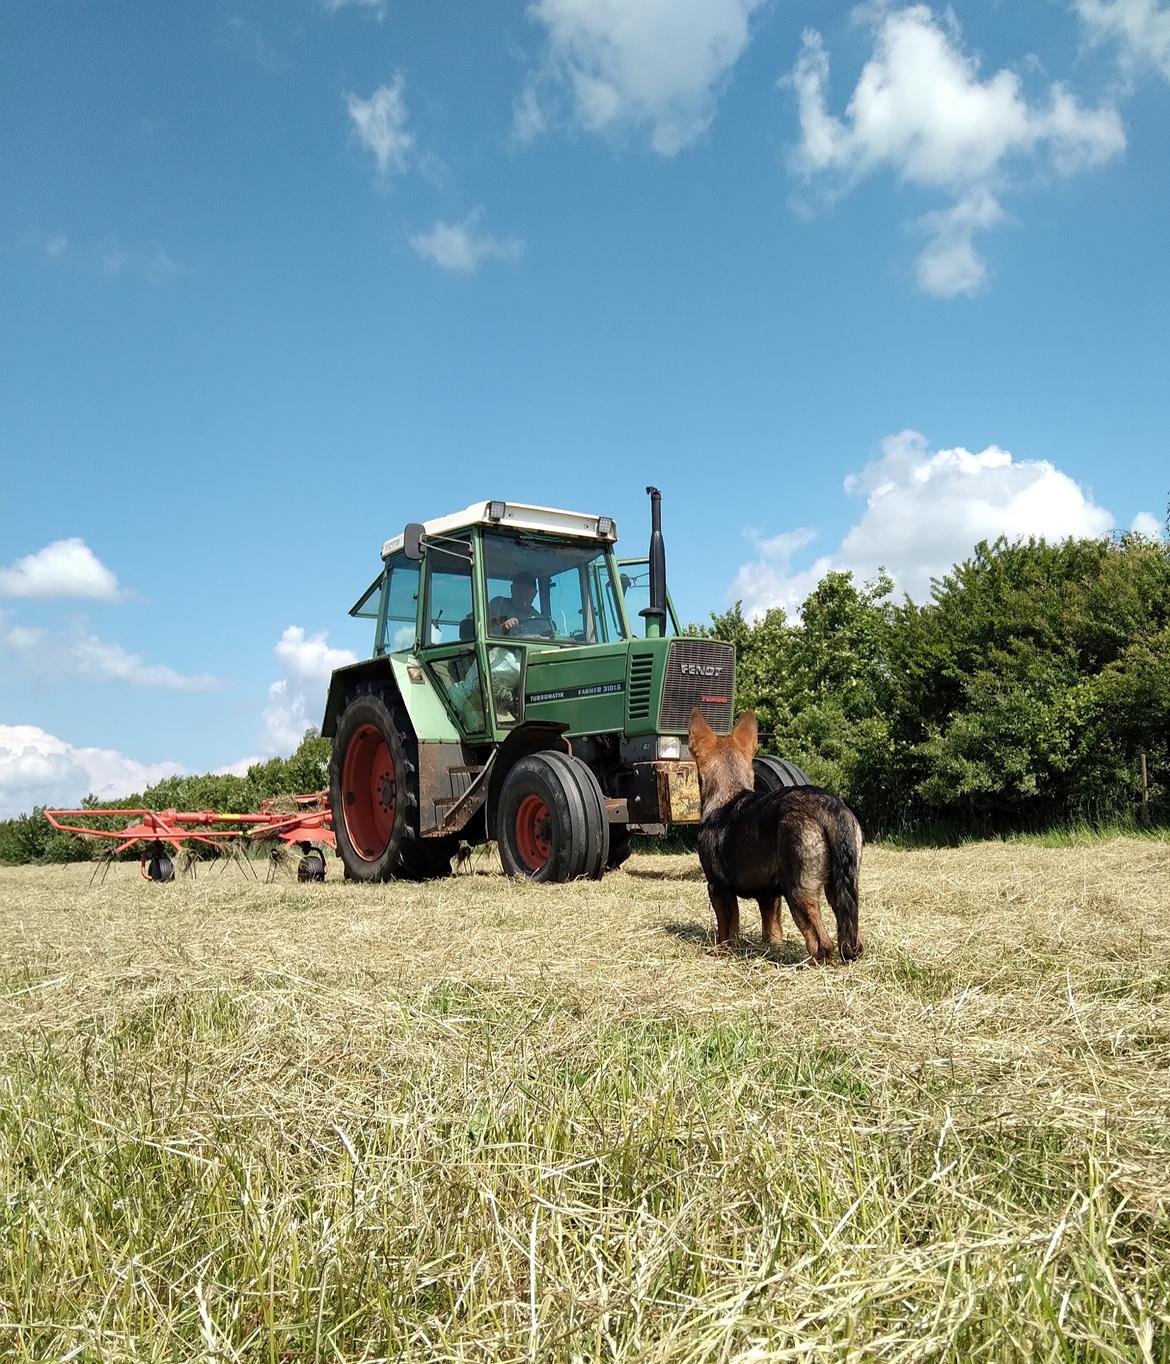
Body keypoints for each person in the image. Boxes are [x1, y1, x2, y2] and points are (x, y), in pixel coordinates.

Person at [489, 570, 542, 635]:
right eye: (518, 590)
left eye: (527, 592)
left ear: (534, 593)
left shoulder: (541, 622)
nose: (523, 595)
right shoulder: (498, 604)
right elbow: (484, 628)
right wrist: (504, 627)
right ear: (512, 589)